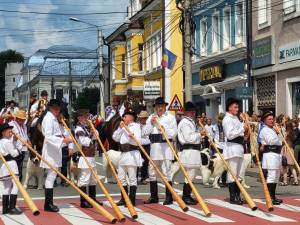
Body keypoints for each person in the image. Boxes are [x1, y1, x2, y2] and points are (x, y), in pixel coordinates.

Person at [143, 97, 177, 205]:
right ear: (155, 107)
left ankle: (169, 197)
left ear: (165, 107)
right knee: (152, 172)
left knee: (167, 172)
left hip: (166, 147)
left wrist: (162, 127)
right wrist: (151, 124)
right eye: (158, 106)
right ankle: (154, 196)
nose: (160, 108)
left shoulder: (170, 118)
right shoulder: (151, 118)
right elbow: (144, 132)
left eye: (161, 106)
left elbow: (173, 133)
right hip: (154, 148)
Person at [40, 99, 73, 212]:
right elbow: (48, 136)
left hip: (54, 150)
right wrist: (64, 141)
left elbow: (56, 134)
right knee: (51, 176)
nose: (57, 110)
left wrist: (64, 139)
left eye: (58, 109)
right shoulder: (49, 118)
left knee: (52, 176)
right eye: (55, 108)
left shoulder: (53, 118)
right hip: (50, 151)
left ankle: (49, 203)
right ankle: (48, 204)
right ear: (50, 108)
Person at [112, 110, 143, 206]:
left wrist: (130, 136)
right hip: (123, 154)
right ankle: (124, 198)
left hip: (132, 154)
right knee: (121, 178)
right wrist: (121, 129)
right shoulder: (123, 127)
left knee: (132, 178)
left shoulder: (135, 127)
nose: (123, 119)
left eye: (125, 117)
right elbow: (115, 138)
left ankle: (132, 199)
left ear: (130, 118)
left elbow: (137, 141)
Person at [222, 98, 248, 205]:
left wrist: (245, 129)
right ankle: (233, 197)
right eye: (235, 107)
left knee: (239, 173)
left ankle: (238, 195)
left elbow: (240, 132)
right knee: (232, 173)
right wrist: (242, 128)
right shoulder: (227, 119)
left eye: (237, 107)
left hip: (239, 147)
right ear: (229, 108)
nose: (237, 109)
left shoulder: (235, 118)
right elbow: (230, 134)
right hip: (232, 148)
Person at [74, 109, 101, 208]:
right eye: (84, 117)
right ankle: (84, 201)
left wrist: (93, 129)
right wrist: (91, 132)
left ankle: (92, 199)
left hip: (92, 156)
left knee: (93, 179)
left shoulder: (87, 127)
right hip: (84, 157)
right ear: (79, 118)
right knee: (84, 179)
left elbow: (96, 136)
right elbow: (85, 142)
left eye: (87, 116)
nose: (86, 119)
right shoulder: (78, 129)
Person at [177, 102, 202, 205]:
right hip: (189, 150)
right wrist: (200, 134)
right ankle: (186, 196)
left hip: (194, 150)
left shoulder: (191, 122)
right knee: (190, 175)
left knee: (192, 175)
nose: (193, 113)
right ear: (187, 112)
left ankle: (188, 195)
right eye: (191, 111)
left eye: (194, 111)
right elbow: (188, 138)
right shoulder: (185, 122)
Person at [259, 111, 283, 205]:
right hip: (270, 154)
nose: (271, 120)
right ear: (264, 120)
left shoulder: (272, 129)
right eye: (269, 119)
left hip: (276, 154)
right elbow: (271, 141)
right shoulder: (265, 130)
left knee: (276, 177)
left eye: (272, 119)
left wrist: (277, 134)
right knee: (272, 176)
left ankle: (273, 196)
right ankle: (270, 197)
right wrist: (277, 134)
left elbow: (280, 142)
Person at [0, 123, 22, 215]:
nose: (11, 133)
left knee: (7, 187)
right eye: (9, 132)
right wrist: (20, 147)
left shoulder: (1, 141)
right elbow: (14, 154)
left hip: (4, 166)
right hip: (11, 165)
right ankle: (12, 207)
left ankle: (5, 208)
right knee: (16, 185)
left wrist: (15, 141)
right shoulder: (7, 142)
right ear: (3, 132)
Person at [9, 110, 29, 182]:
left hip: (22, 148)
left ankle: (19, 180)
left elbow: (25, 136)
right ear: (17, 118)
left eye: (24, 119)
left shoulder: (24, 126)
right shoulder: (12, 124)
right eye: (21, 119)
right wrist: (23, 141)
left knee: (20, 166)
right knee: (14, 165)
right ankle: (14, 180)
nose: (23, 121)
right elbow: (18, 135)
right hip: (14, 148)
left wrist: (28, 141)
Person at [281, 121, 298, 185]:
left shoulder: (287, 133)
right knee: (292, 167)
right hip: (291, 150)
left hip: (286, 150)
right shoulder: (293, 133)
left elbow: (283, 141)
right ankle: (296, 180)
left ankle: (285, 181)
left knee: (284, 167)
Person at [212, 113, 227, 186]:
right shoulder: (215, 127)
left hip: (225, 147)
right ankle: (216, 181)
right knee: (218, 164)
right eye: (220, 119)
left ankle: (224, 181)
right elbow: (212, 136)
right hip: (217, 146)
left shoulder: (226, 126)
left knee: (225, 164)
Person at [137, 111, 151, 185]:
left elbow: (145, 133)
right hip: (138, 145)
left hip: (146, 145)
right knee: (137, 161)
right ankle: (135, 177)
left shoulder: (149, 125)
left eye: (145, 118)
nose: (143, 120)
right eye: (141, 118)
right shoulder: (136, 126)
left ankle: (144, 177)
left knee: (145, 162)